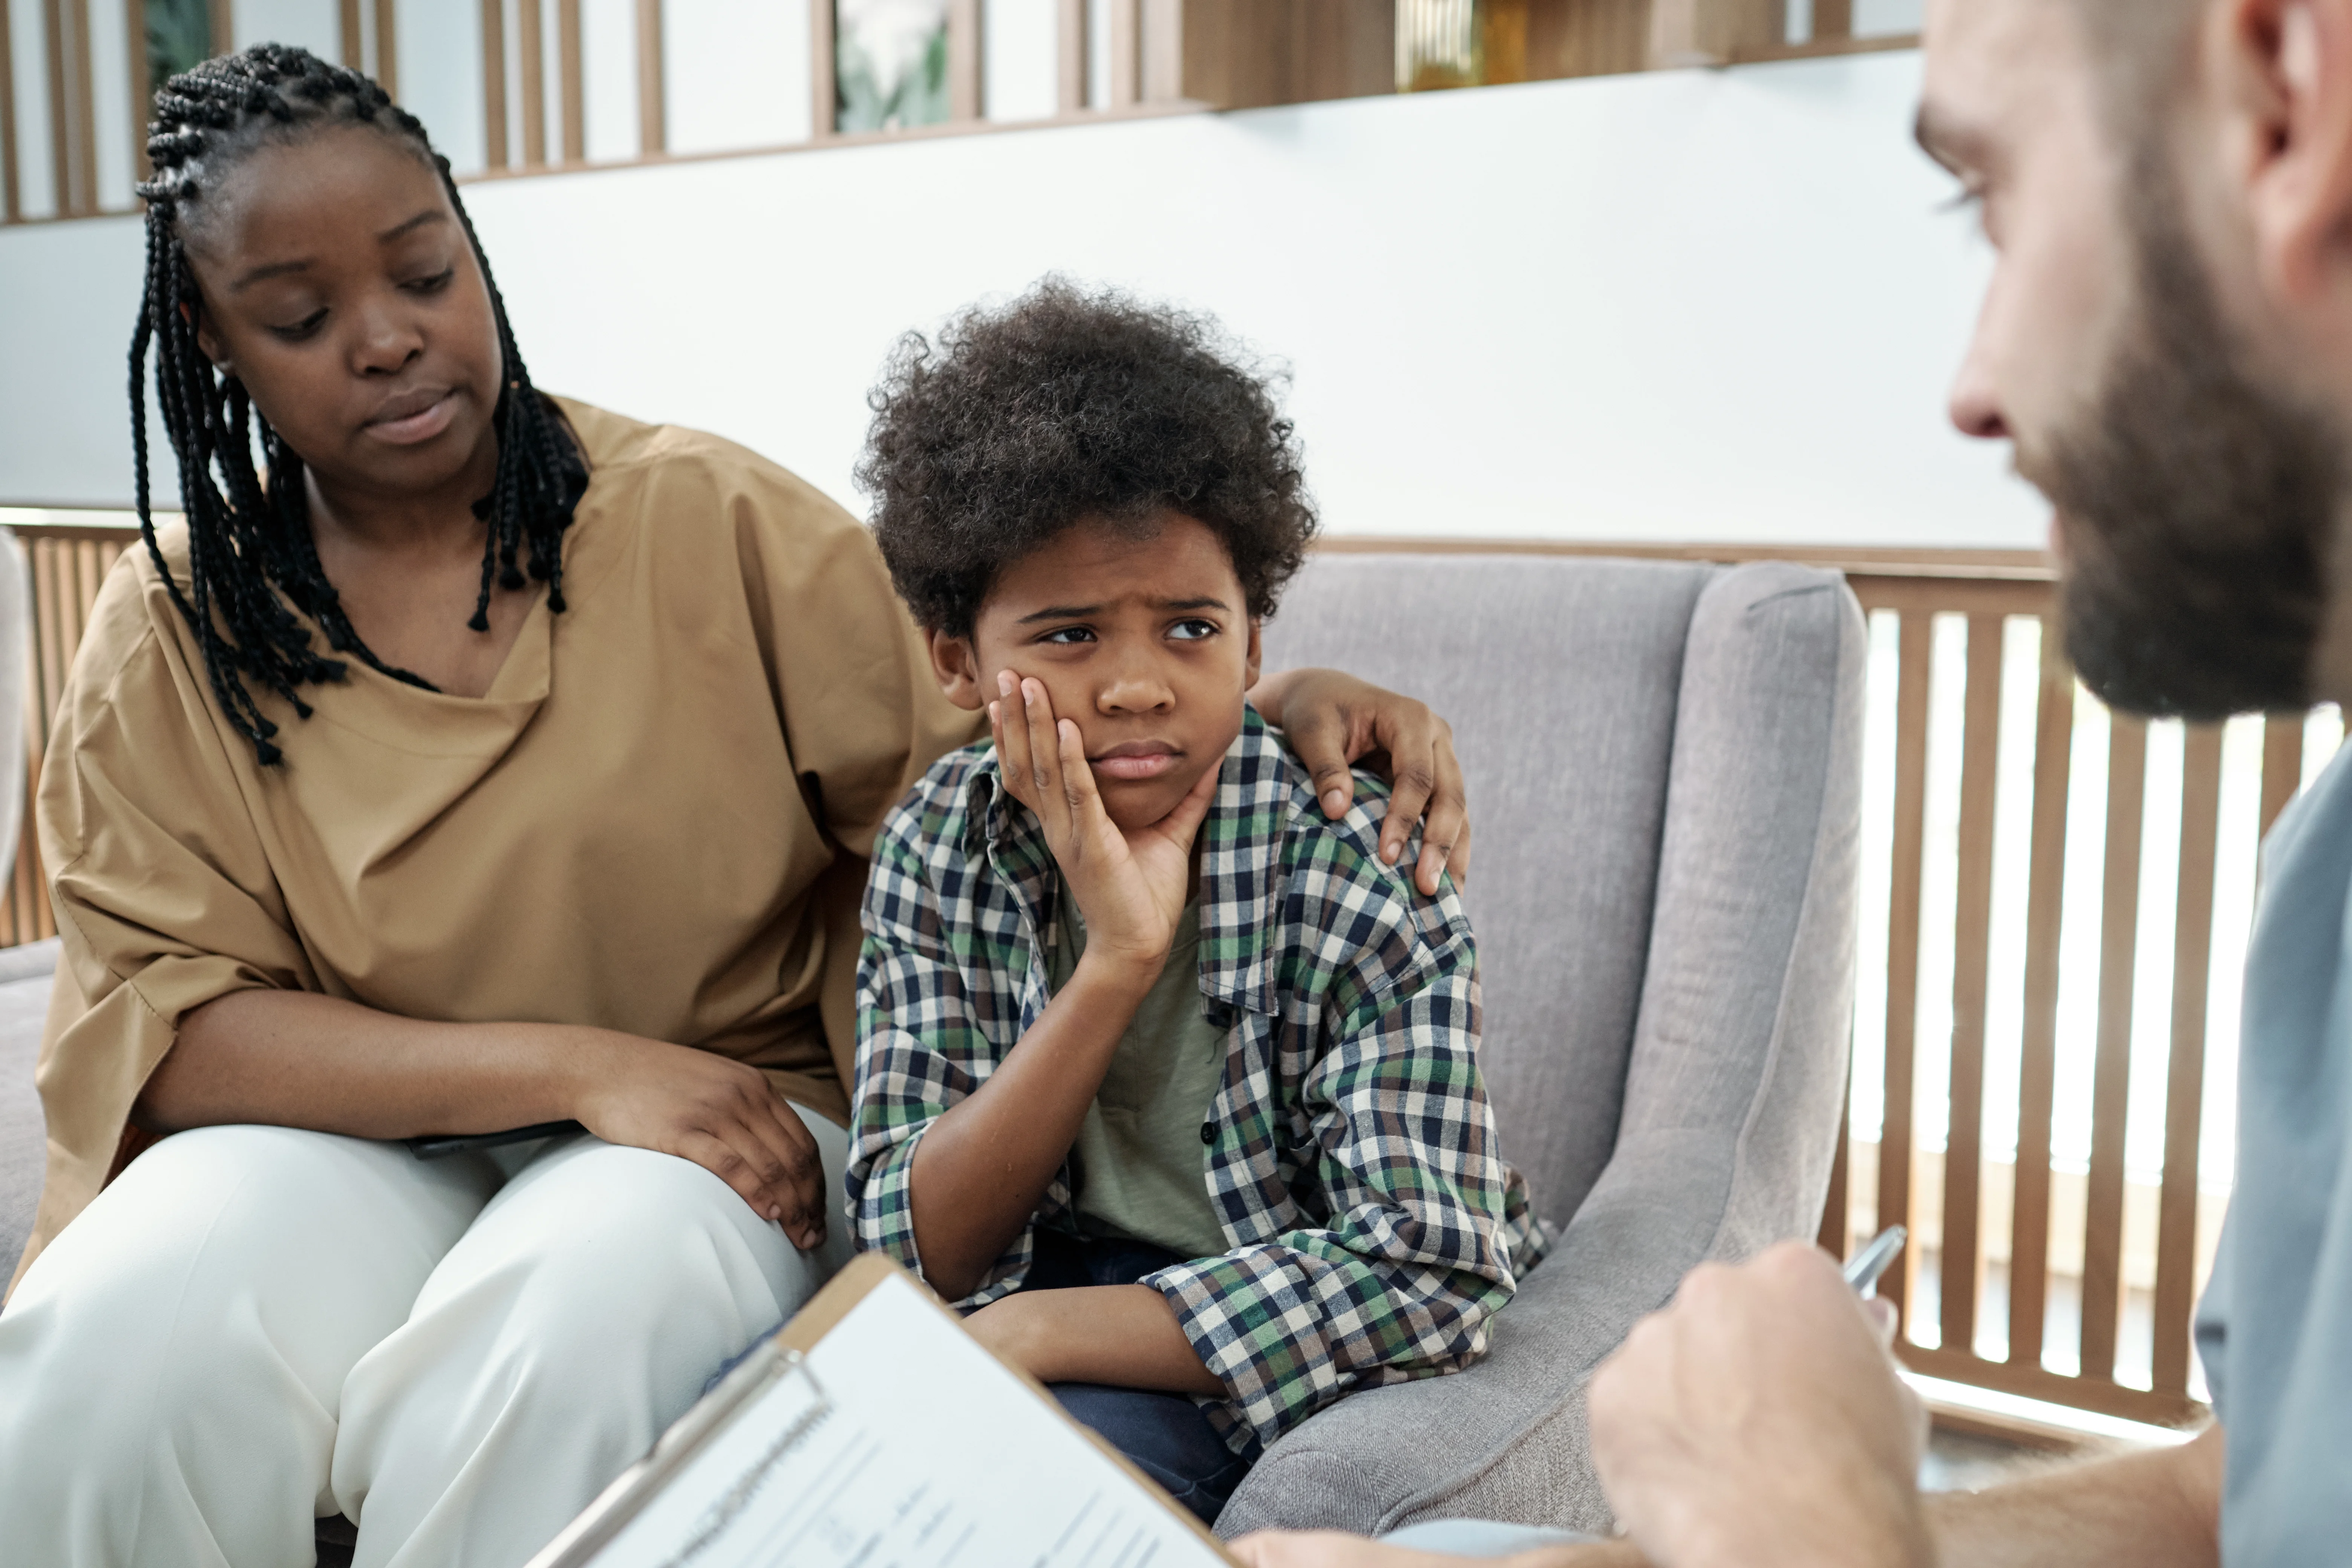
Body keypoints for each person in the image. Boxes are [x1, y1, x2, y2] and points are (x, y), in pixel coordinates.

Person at [0, 47, 1480, 1568]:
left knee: (578, 1317)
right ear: (207, 332)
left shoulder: (708, 521)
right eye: (302, 318)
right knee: (122, 1344)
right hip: (355, 1139)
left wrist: (1269, 706)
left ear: (470, 241)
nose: (386, 342)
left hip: (722, 1133)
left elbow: (1028, 743)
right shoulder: (170, 625)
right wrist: (583, 1065)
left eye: (427, 274)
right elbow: (166, 1026)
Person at [1234, 0, 2352, 1562]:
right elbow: (2225, 1496)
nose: (1971, 386)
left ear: (2286, 104)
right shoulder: (2334, 869)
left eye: (1992, 192)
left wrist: (1806, 1523)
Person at [843, 284, 1548, 1525]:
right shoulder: (938, 848)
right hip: (1021, 1291)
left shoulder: (1355, 866)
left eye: (1188, 628)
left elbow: (1431, 1267)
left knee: (999, 1510)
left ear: (1256, 643)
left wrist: (1043, 1331)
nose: (1132, 686)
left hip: (1233, 1324)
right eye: (1066, 636)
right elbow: (920, 1246)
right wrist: (1116, 958)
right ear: (958, 661)